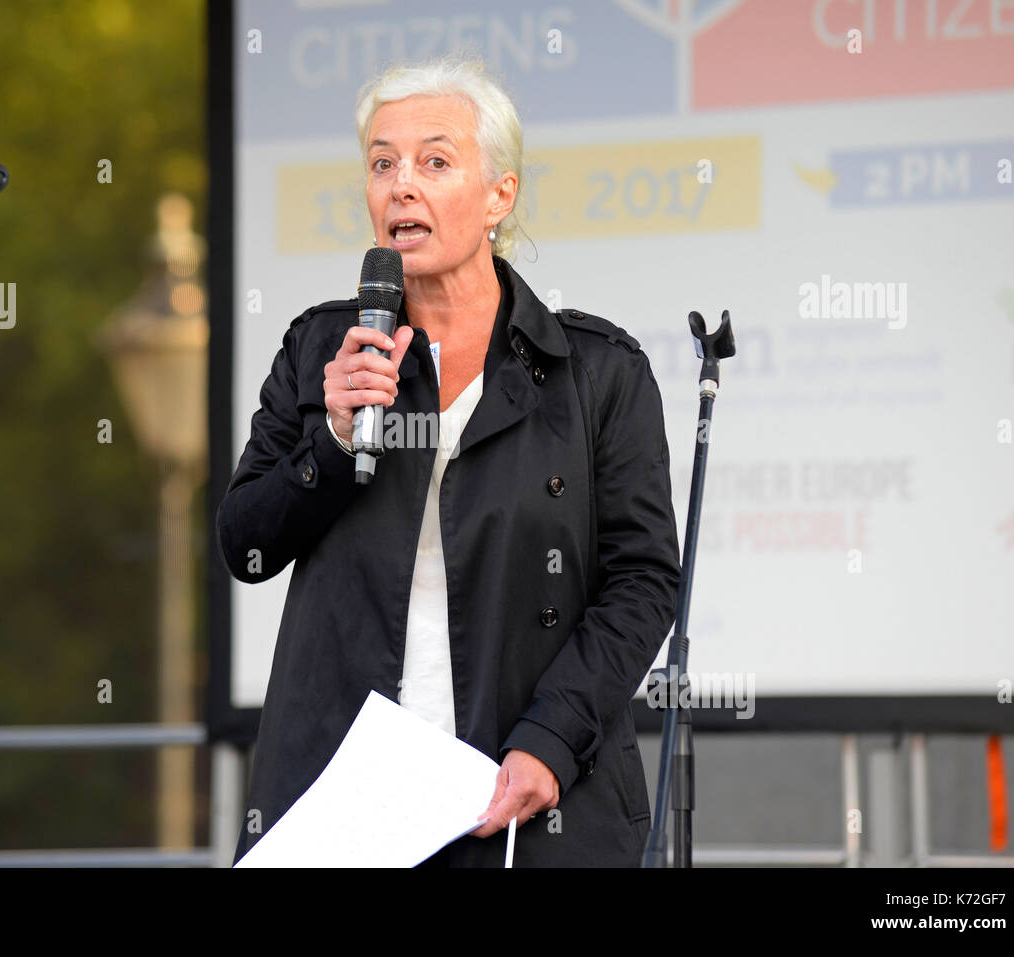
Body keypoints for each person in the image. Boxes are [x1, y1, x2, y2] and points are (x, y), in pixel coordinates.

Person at [217, 55, 681, 866]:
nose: (402, 185)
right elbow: (244, 544)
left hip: (528, 786)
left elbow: (642, 579)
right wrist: (328, 436)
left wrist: (551, 738)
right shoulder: (320, 350)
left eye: (435, 161)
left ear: (499, 194)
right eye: (382, 163)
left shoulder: (596, 370)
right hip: (347, 795)